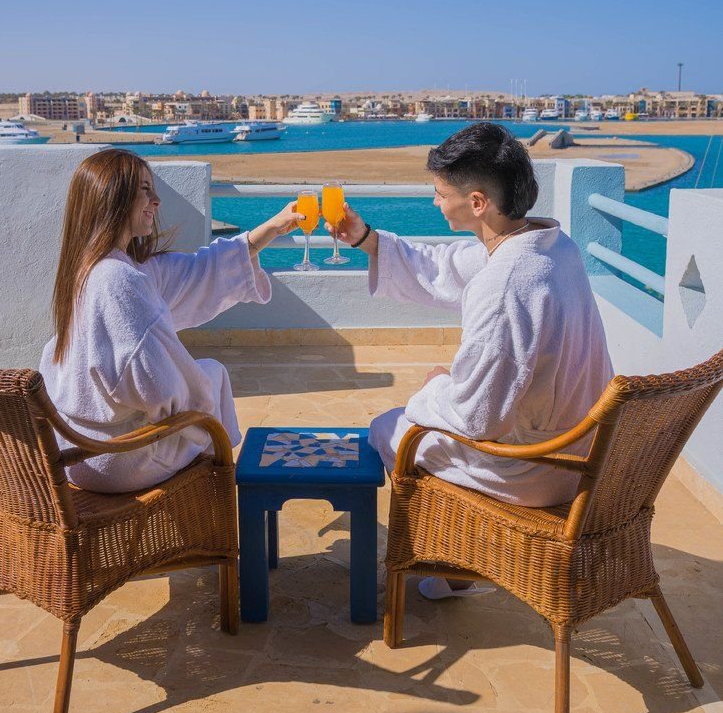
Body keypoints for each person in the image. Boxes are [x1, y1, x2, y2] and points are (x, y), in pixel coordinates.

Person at [326, 122, 613, 598]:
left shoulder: (505, 287)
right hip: (580, 449)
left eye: (441, 194)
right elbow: (446, 266)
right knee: (421, 410)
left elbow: (477, 418)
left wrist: (437, 385)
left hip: (535, 469)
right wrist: (366, 239)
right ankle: (455, 565)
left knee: (387, 429)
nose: (435, 203)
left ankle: (453, 560)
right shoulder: (550, 246)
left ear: (477, 202)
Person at [40, 149, 300, 493]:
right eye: (145, 189)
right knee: (210, 381)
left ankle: (212, 487)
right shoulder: (118, 280)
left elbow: (195, 272)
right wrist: (199, 404)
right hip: (120, 459)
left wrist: (271, 229)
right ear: (113, 196)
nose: (157, 200)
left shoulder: (93, 267)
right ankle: (214, 493)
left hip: (81, 450)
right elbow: (161, 389)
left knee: (207, 377)